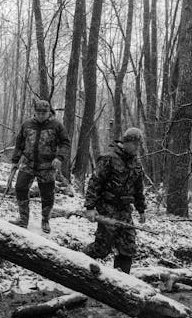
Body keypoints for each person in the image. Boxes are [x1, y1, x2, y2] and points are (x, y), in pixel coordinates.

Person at [83, 127, 147, 274]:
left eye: (139, 144)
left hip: (125, 209)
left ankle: (121, 281)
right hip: (107, 206)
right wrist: (90, 207)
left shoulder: (136, 164)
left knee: (128, 247)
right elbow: (95, 183)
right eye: (135, 144)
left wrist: (141, 209)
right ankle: (77, 263)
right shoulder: (109, 158)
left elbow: (138, 189)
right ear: (126, 142)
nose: (138, 147)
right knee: (102, 248)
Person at [9, 100, 71, 233]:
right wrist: (15, 160)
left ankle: (45, 220)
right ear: (35, 112)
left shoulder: (56, 126)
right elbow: (19, 143)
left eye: (44, 112)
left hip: (47, 166)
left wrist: (59, 158)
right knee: (20, 188)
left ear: (49, 112)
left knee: (47, 195)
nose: (41, 115)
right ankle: (23, 219)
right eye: (38, 112)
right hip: (28, 164)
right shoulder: (27, 125)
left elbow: (65, 143)